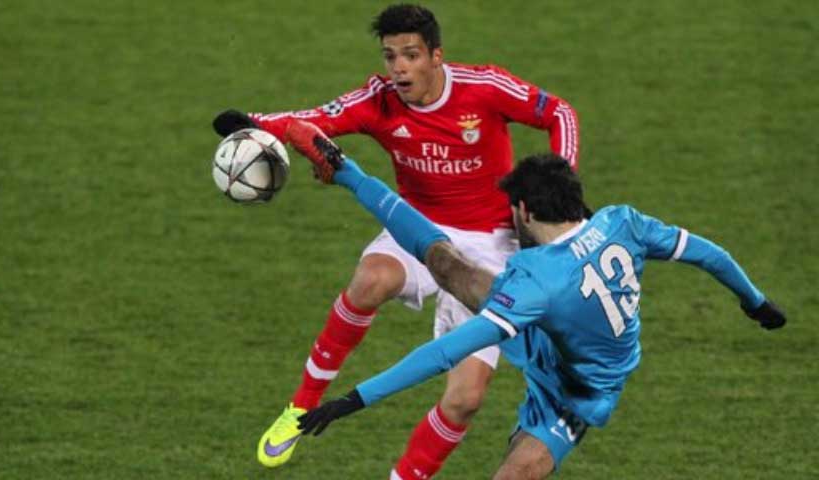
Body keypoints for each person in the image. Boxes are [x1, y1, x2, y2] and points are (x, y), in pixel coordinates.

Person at [212, 5, 579, 476]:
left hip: (492, 246)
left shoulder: (484, 88)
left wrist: (560, 178)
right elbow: (315, 121)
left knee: (464, 400)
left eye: (410, 55)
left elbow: (561, 114)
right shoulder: (378, 100)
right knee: (371, 279)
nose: (400, 67)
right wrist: (254, 123)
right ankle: (299, 409)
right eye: (391, 57)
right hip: (416, 229)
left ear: (436, 56)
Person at [287, 138, 786, 479]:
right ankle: (349, 173)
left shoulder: (534, 282)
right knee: (449, 267)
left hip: (577, 396)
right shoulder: (623, 222)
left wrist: (353, 399)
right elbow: (709, 254)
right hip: (555, 332)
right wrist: (756, 303)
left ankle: (351, 174)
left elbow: (444, 354)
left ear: (523, 211)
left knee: (514, 473)